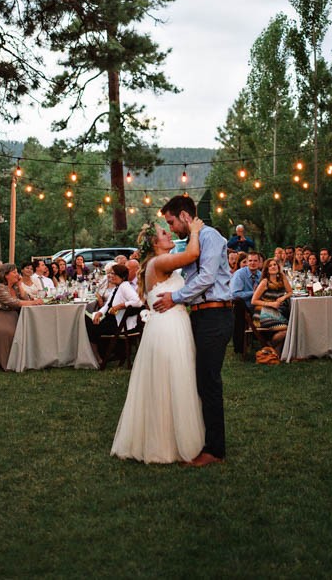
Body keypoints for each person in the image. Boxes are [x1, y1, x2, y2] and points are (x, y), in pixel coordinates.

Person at [111, 218, 205, 464]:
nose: (169, 234)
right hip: (168, 328)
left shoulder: (160, 264)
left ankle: (168, 438)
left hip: (171, 323)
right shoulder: (160, 261)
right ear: (155, 243)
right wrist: (194, 230)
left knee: (170, 380)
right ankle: (167, 443)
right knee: (172, 379)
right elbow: (193, 253)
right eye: (165, 233)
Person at [154, 195, 232, 467]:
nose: (172, 228)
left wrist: (175, 298)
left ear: (185, 216)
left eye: (172, 222)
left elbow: (207, 277)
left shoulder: (210, 237)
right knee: (200, 380)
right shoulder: (192, 242)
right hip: (200, 316)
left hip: (215, 314)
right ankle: (204, 440)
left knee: (209, 380)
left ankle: (215, 450)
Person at [0, 263, 43, 369]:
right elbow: (14, 303)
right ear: (6, 275)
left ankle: (25, 358)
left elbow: (26, 299)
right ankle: (8, 362)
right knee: (10, 332)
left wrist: (20, 284)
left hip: (9, 316)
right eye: (14, 272)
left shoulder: (14, 287)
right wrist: (36, 302)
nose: (17, 274)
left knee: (26, 329)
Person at [87, 264, 142, 365]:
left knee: (89, 326)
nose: (110, 276)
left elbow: (138, 302)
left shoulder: (125, 287)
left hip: (119, 324)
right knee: (89, 320)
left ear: (122, 276)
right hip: (112, 320)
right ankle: (100, 355)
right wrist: (99, 313)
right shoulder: (117, 288)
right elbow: (107, 305)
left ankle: (98, 357)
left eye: (113, 274)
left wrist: (120, 306)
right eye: (110, 273)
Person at [251, 257, 292, 353]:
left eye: (274, 265)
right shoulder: (265, 282)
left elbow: (290, 292)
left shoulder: (282, 278)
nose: (273, 267)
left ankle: (274, 352)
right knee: (286, 329)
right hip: (262, 312)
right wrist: (271, 304)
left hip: (275, 311)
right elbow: (254, 301)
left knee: (288, 328)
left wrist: (283, 297)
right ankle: (270, 346)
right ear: (267, 270)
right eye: (270, 266)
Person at [231, 251, 262, 354]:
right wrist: (254, 292)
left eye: (255, 261)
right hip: (244, 308)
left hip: (258, 306)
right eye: (250, 261)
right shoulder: (239, 274)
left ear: (259, 262)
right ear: (247, 262)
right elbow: (235, 294)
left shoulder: (261, 275)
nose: (252, 263)